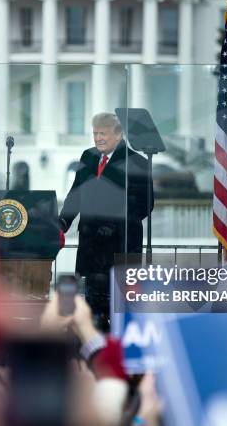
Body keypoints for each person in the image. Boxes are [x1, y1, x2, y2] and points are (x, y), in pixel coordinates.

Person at [59, 113, 153, 329]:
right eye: (95, 134)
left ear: (118, 135)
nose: (98, 138)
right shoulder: (88, 157)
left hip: (120, 247)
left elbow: (144, 204)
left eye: (103, 133)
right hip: (91, 246)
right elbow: (76, 194)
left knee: (120, 309)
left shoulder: (136, 162)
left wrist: (114, 224)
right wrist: (63, 221)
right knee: (93, 307)